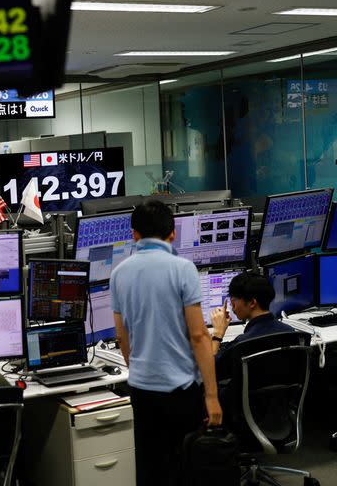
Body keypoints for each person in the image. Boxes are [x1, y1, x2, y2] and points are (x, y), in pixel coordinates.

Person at [110, 200, 222, 486]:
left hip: (142, 389)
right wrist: (211, 397)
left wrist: (137, 367)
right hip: (180, 390)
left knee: (151, 468)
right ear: (172, 234)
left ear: (134, 235)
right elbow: (198, 336)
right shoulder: (183, 269)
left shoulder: (118, 274)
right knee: (185, 467)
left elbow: (122, 336)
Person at [210, 272, 295, 360]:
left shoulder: (241, 344)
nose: (232, 305)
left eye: (234, 300)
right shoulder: (291, 332)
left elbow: (211, 369)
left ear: (252, 303)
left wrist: (217, 335)